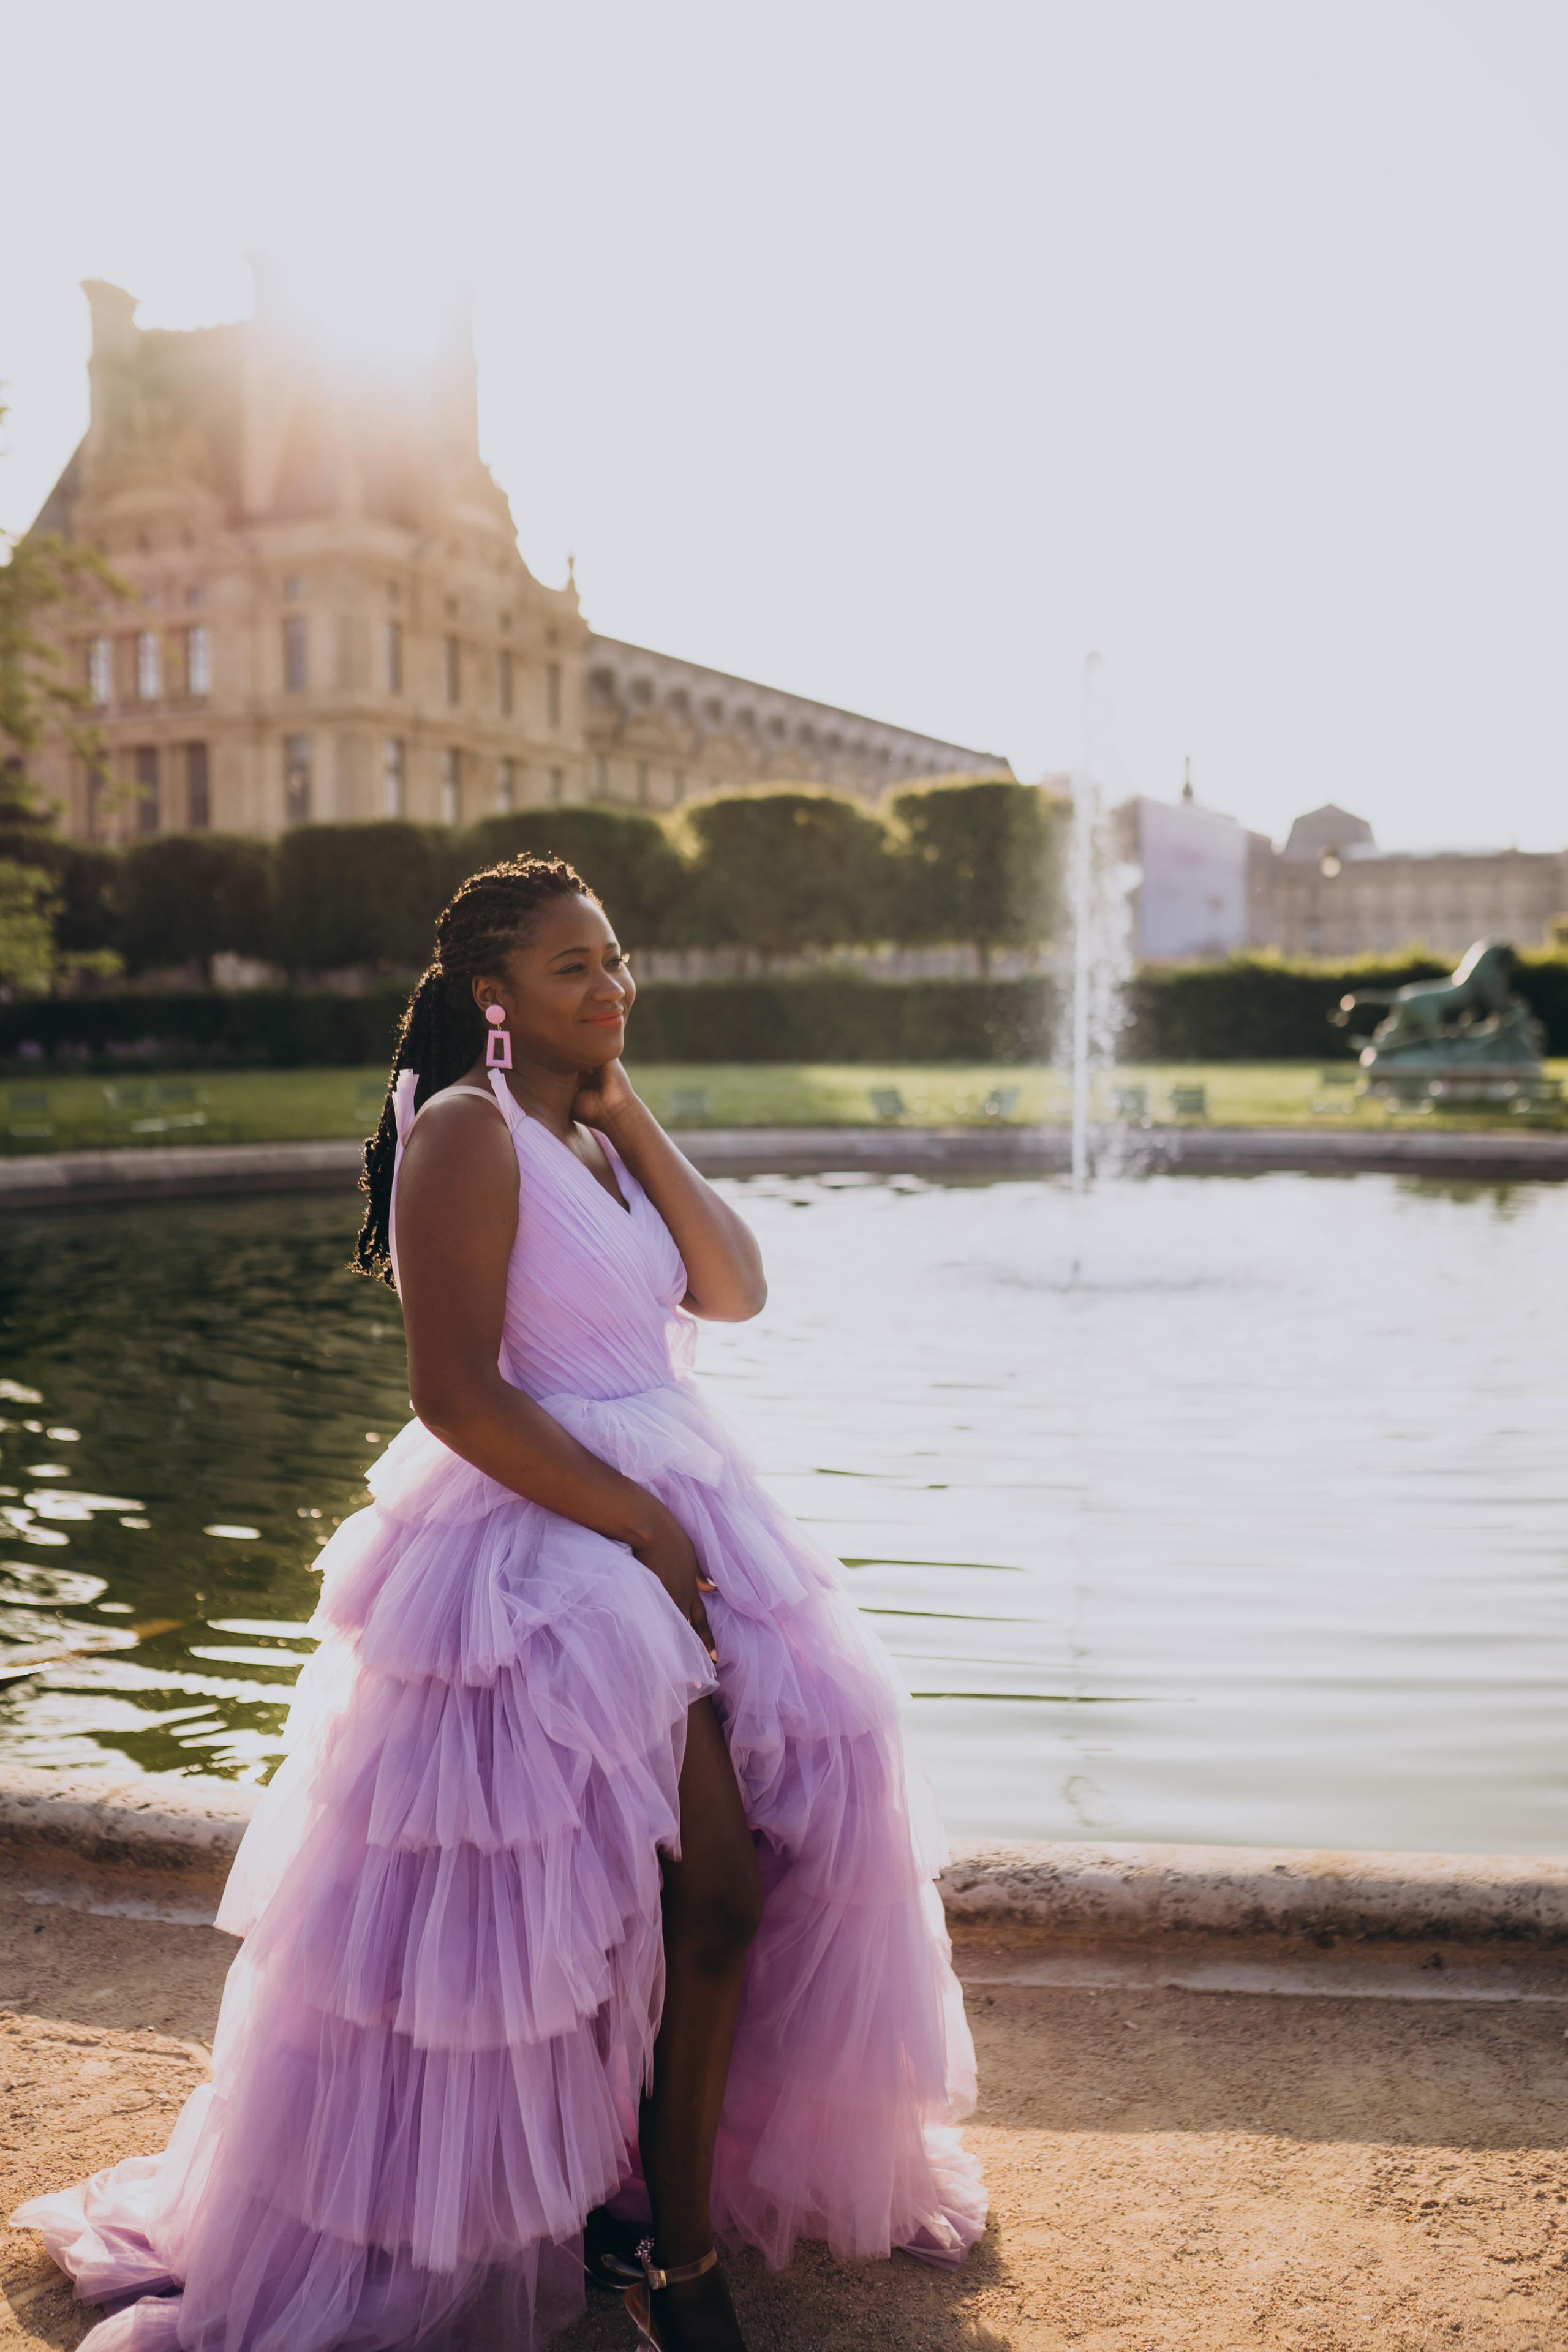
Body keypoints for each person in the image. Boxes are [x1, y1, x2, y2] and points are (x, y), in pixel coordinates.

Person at [14, 856, 985, 2352]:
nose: (611, 986)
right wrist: (649, 1535)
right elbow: (455, 1393)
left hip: (681, 1499)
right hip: (540, 1542)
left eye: (614, 961)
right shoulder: (464, 1134)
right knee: (666, 1899)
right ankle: (670, 2261)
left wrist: (621, 1106)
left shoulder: (587, 1131)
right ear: (493, 999)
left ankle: (652, 2221)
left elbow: (729, 1292)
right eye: (572, 969)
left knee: (741, 1879)